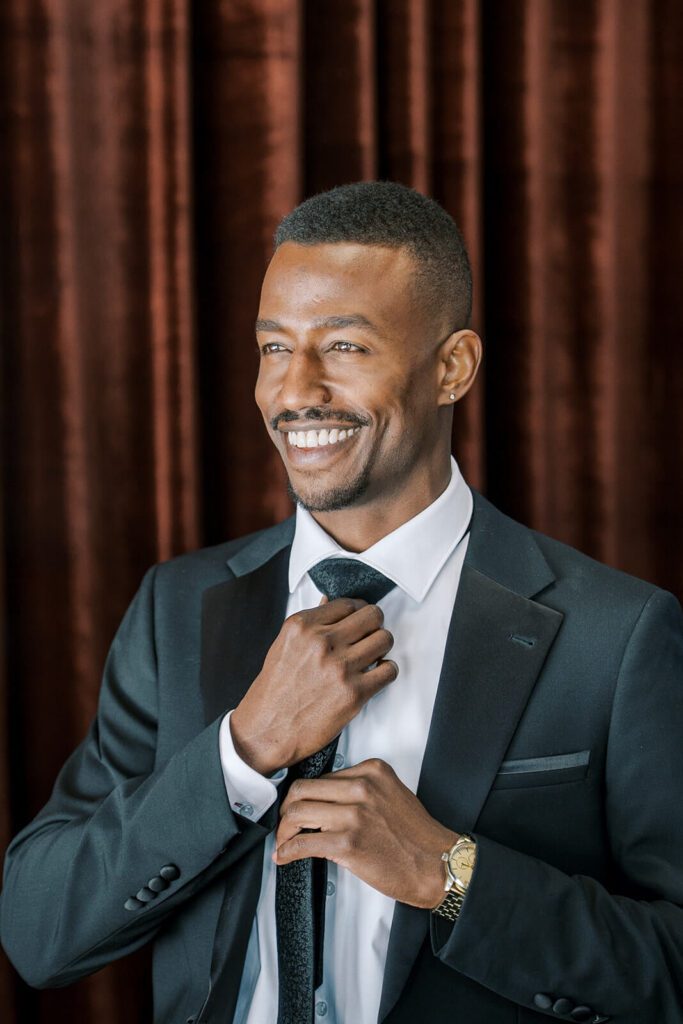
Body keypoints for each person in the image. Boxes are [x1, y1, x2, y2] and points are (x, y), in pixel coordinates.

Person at [1, 181, 682, 1024]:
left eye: (346, 348)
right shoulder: (177, 606)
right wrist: (242, 752)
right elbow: (38, 934)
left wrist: (450, 875)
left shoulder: (615, 635)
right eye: (274, 348)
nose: (296, 392)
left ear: (452, 367)